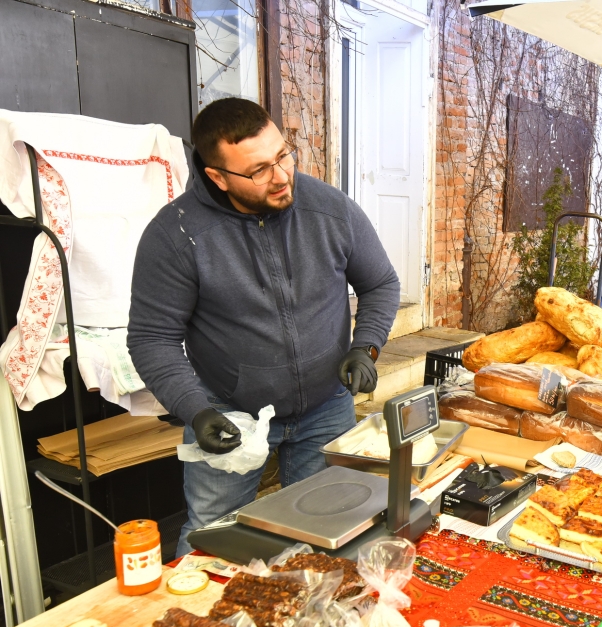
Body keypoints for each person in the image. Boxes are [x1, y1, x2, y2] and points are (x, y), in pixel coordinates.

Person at [128, 98, 400, 556]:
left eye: (282, 156)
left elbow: (381, 284)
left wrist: (365, 347)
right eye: (257, 170)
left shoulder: (330, 210)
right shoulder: (176, 235)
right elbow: (152, 338)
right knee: (211, 539)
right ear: (216, 176)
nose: (280, 176)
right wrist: (194, 409)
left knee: (325, 531)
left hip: (325, 406)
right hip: (227, 411)